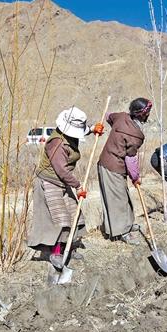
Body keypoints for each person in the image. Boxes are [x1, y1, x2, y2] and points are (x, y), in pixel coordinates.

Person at [28, 107, 103, 263]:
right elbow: (61, 170)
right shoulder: (57, 143)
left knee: (73, 213)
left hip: (62, 181)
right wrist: (78, 186)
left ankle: (69, 247)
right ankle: (55, 253)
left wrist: (92, 129)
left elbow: (83, 130)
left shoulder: (69, 134)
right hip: (50, 181)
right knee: (59, 218)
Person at [97, 98, 150, 245]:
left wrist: (113, 126)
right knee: (117, 199)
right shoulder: (136, 135)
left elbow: (108, 116)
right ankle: (122, 232)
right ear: (142, 114)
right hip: (112, 166)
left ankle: (128, 224)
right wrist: (135, 177)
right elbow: (130, 159)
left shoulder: (121, 117)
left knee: (123, 195)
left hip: (110, 163)